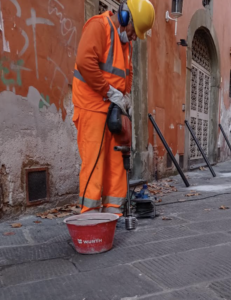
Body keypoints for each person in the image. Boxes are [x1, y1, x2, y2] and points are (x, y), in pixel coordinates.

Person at [72, 0, 155, 215]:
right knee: (95, 163)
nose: (135, 37)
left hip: (114, 109)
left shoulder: (125, 43)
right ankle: (90, 216)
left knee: (118, 161)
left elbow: (128, 73)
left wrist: (125, 96)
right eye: (134, 31)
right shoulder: (99, 26)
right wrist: (109, 91)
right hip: (92, 107)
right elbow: (85, 61)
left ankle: (113, 213)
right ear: (125, 16)